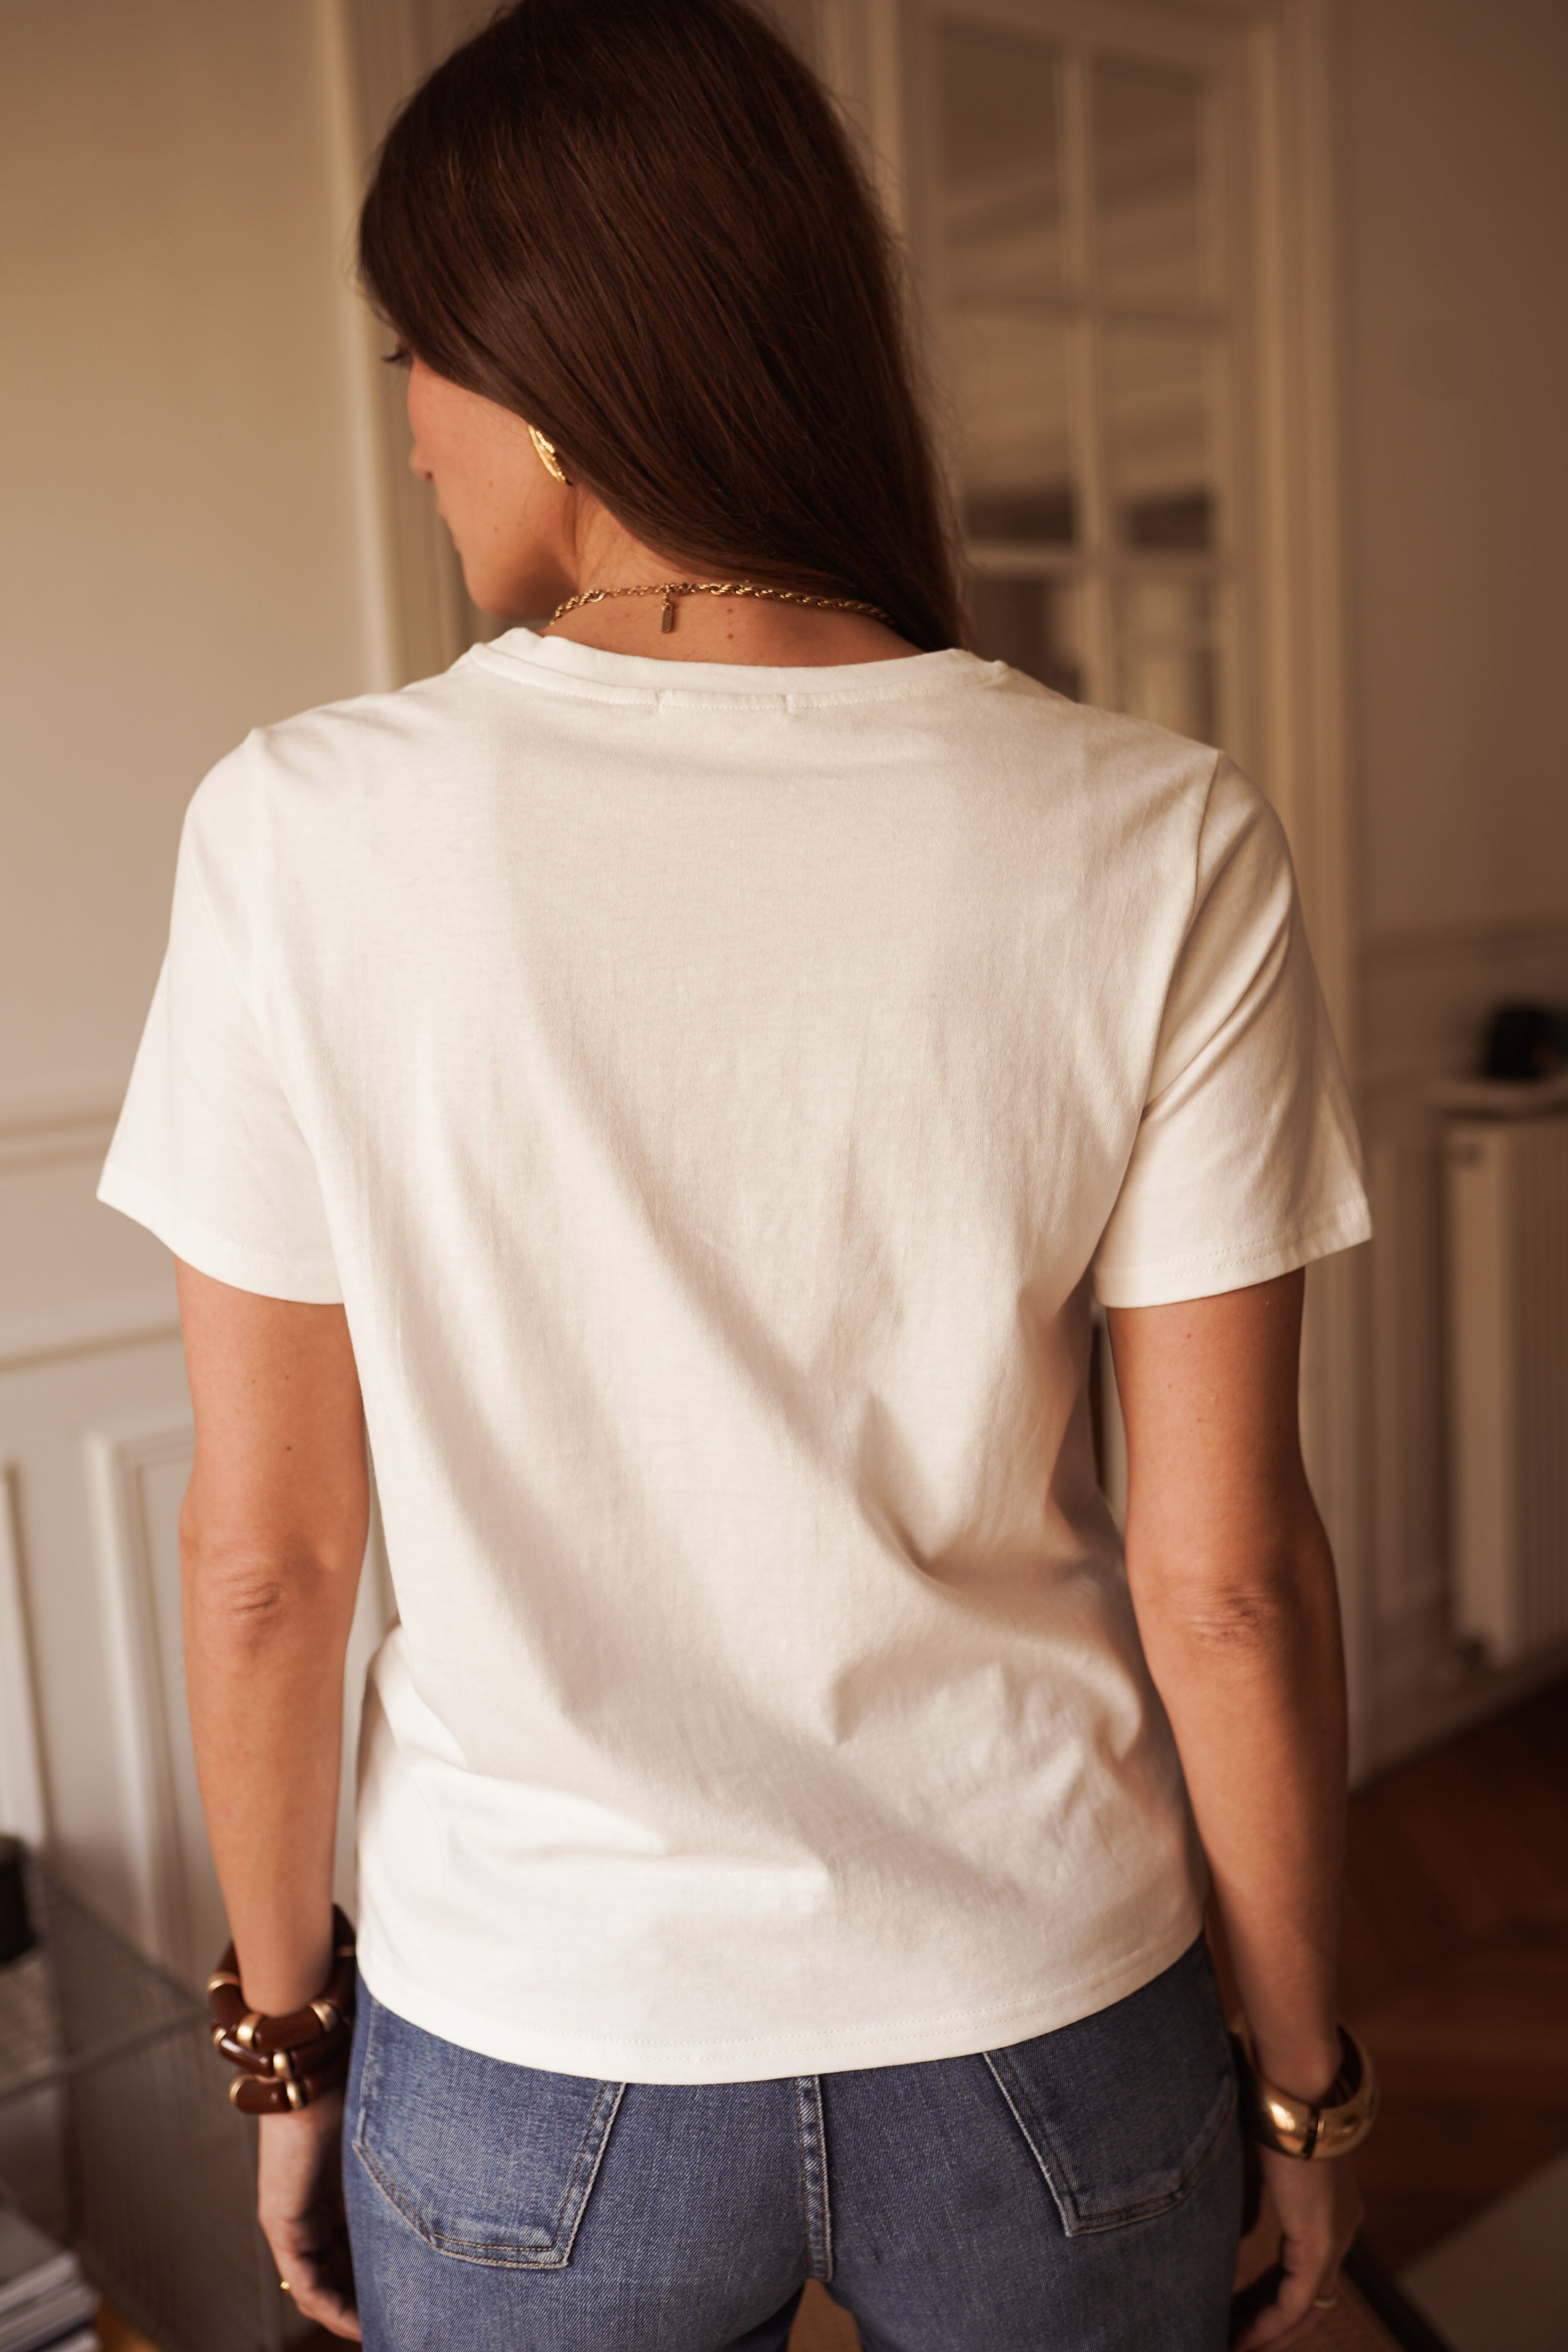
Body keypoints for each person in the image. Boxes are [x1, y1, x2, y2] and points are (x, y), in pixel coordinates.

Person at [99, 2, 1376, 2345]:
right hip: (1044, 2016)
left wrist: (281, 2046)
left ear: (544, 385)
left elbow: (269, 1561)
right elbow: (1229, 1584)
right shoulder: (1153, 835)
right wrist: (1302, 2082)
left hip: (533, 2037)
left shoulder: (302, 837)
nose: (410, 432)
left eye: (417, 360)